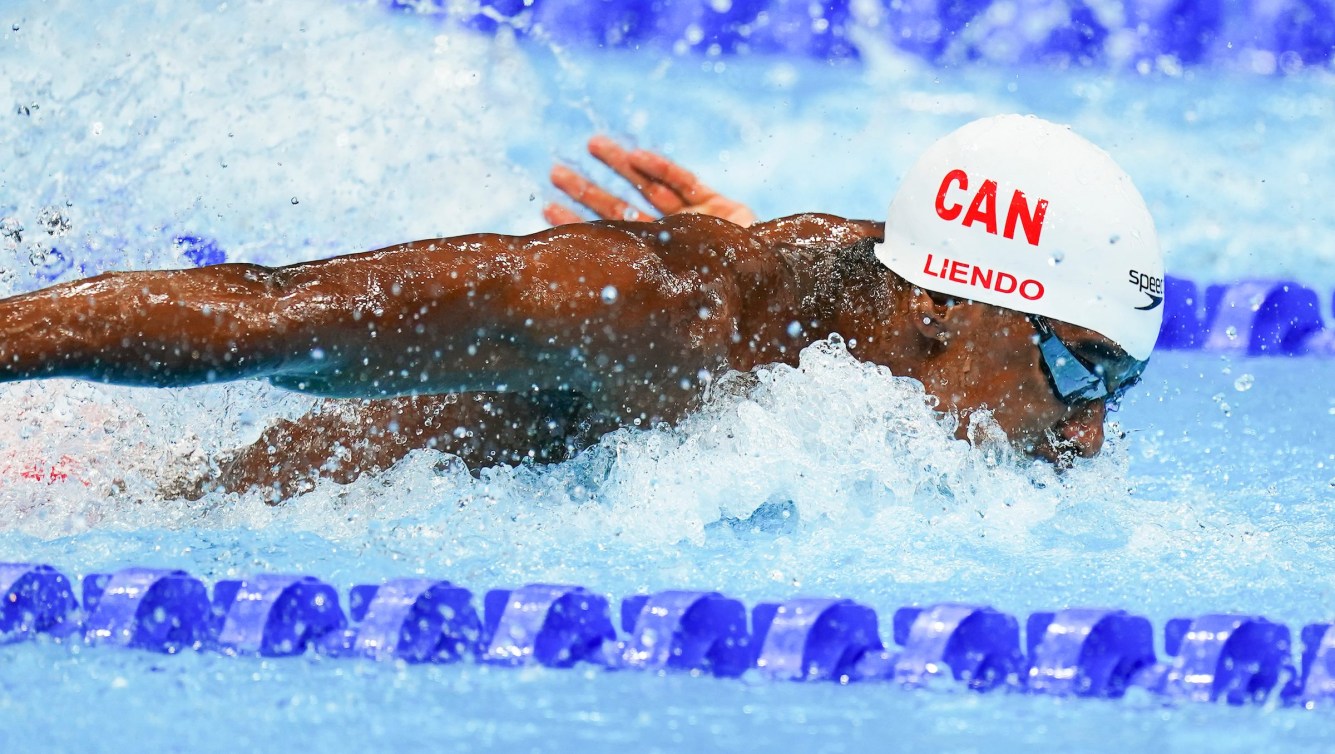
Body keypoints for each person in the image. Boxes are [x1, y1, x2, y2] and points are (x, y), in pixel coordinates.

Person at [0, 115, 1163, 501]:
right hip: (120, 491)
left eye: (1119, 385)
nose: (1090, 431)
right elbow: (279, 312)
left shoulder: (874, 317)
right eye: (1082, 369)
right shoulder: (672, 309)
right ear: (953, 310)